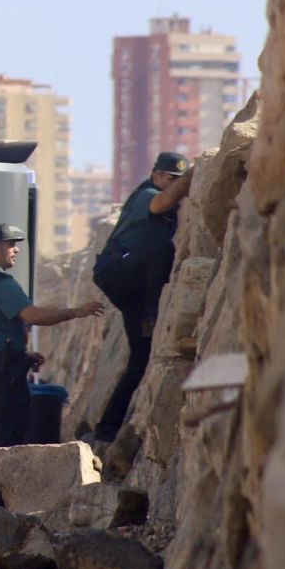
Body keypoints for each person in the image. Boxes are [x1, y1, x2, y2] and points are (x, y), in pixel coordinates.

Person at [0, 223, 104, 449]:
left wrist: (22, 353)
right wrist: (75, 312)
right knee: (9, 437)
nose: (16, 250)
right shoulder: (1, 283)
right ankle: (4, 484)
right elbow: (32, 315)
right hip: (3, 370)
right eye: (11, 245)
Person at [92, 152, 194, 445]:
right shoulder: (146, 194)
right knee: (162, 251)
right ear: (157, 175)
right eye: (172, 180)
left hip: (133, 285)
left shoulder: (167, 204)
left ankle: (107, 428)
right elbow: (161, 203)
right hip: (119, 275)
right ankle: (151, 318)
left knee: (140, 357)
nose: (176, 186)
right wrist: (189, 180)